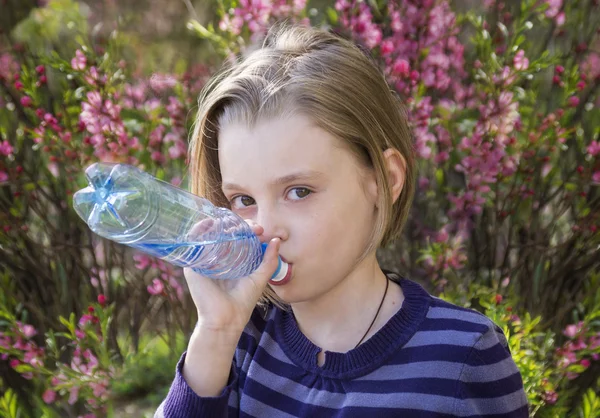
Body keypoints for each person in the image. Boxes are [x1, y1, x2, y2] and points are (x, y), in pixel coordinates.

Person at [155, 24, 529, 417]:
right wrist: (214, 334)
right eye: (243, 200)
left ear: (384, 182)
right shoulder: (238, 342)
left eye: (298, 191)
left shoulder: (462, 357)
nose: (266, 228)